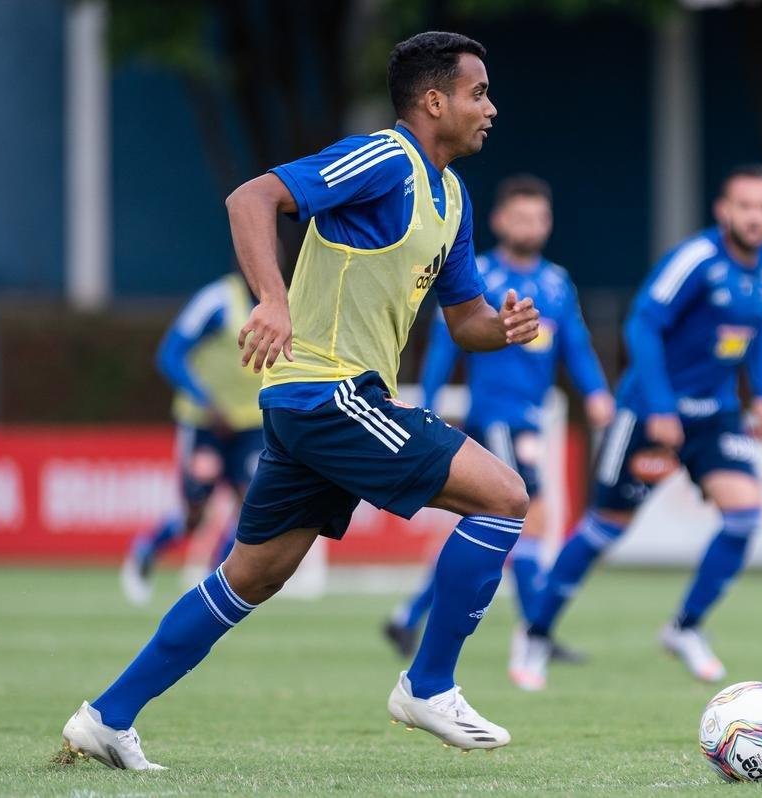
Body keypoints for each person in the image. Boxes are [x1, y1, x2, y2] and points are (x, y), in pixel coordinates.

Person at [61, 31, 541, 769]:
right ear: (434, 100)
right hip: (327, 390)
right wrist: (273, 300)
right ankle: (428, 683)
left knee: (252, 575)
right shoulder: (385, 157)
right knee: (504, 495)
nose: (492, 108)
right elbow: (252, 197)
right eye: (478, 93)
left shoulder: (453, 199)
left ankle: (106, 716)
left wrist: (502, 329)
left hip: (318, 402)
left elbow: (464, 318)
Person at [511, 164, 762, 691]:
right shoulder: (698, 260)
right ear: (723, 210)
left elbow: (760, 329)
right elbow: (642, 320)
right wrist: (660, 406)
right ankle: (536, 631)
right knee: (605, 529)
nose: (755, 217)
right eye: (744, 206)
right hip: (647, 413)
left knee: (745, 514)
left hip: (715, 414)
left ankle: (685, 627)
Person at [381, 175, 614, 689]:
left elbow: (574, 343)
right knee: (530, 521)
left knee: (499, 533)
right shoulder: (479, 273)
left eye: (539, 217)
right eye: (521, 217)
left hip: (532, 417)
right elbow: (446, 345)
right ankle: (537, 632)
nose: (531, 226)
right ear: (500, 221)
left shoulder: (556, 282)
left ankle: (407, 615)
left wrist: (596, 392)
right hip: (495, 416)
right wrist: (431, 402)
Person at [120, 272, 263, 605]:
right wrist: (206, 401)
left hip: (251, 424)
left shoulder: (286, 302)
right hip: (206, 423)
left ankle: (215, 582)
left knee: (252, 508)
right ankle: (146, 550)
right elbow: (169, 355)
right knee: (195, 512)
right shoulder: (216, 302)